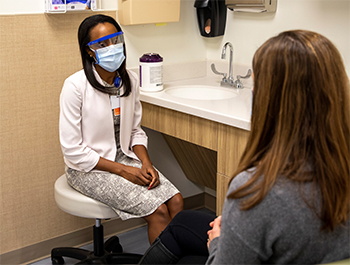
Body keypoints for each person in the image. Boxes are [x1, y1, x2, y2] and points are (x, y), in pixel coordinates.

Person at [138, 29, 350, 264]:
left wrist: (217, 240)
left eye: (257, 83)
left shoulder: (258, 190)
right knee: (183, 223)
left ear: (271, 100)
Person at [59, 14, 183, 244]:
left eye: (115, 40)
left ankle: (181, 258)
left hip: (126, 159)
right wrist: (123, 171)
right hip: (87, 169)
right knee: (159, 211)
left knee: (176, 201)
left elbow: (135, 131)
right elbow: (72, 150)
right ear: (89, 51)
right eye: (102, 44)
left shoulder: (130, 81)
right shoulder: (75, 87)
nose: (111, 48)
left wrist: (146, 163)